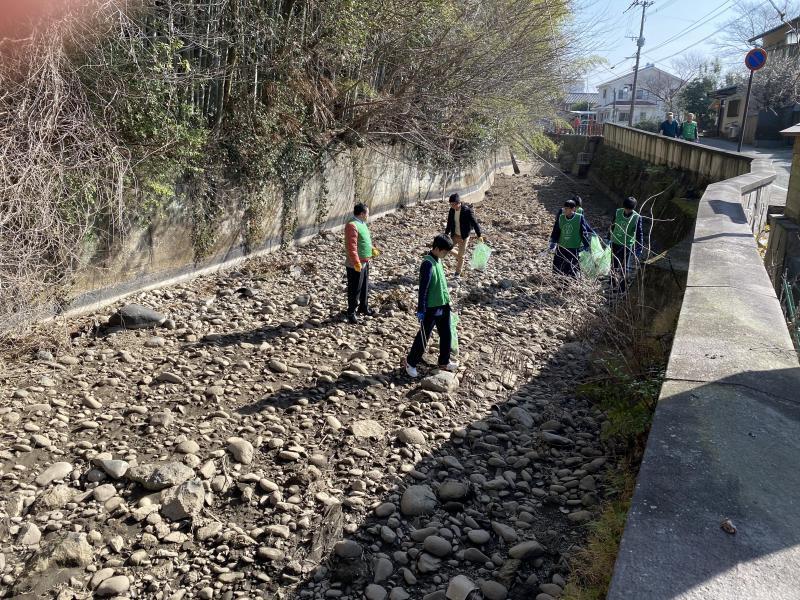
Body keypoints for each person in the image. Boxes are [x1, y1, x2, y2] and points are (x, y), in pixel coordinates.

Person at [405, 234, 459, 378]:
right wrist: (421, 309)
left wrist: (448, 301)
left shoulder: (438, 260)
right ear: (436, 248)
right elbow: (423, 289)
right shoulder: (427, 264)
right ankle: (411, 362)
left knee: (446, 334)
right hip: (431, 307)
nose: (446, 255)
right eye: (445, 252)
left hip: (443, 304)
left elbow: (441, 283)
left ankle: (444, 361)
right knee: (424, 336)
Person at [344, 203, 380, 324]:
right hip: (355, 263)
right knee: (355, 288)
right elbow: (351, 246)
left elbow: (365, 240)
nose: (368, 215)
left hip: (364, 261)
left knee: (364, 286)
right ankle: (351, 312)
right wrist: (356, 262)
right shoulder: (352, 225)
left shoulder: (362, 224)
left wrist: (372, 249)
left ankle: (363, 307)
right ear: (362, 214)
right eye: (367, 213)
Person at [549, 199, 595, 278]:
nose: (565, 210)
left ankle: (570, 282)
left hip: (573, 247)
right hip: (562, 247)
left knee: (572, 267)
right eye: (565, 208)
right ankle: (558, 281)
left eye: (567, 209)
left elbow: (583, 232)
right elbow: (556, 231)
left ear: (573, 209)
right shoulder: (561, 218)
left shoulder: (579, 218)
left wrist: (586, 244)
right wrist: (553, 241)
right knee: (559, 266)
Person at [608, 196, 644, 294]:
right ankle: (612, 283)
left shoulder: (636, 217)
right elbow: (613, 225)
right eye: (626, 208)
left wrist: (639, 247)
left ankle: (622, 287)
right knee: (613, 264)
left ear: (633, 208)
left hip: (626, 245)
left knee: (624, 266)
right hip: (615, 241)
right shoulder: (618, 212)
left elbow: (639, 233)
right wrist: (608, 237)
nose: (627, 211)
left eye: (629, 209)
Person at [444, 193, 483, 278]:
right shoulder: (451, 210)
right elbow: (449, 223)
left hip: (463, 237)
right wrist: (446, 235)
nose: (451, 206)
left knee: (460, 256)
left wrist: (479, 235)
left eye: (453, 204)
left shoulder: (467, 210)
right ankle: (461, 257)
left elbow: (475, 223)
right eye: (450, 204)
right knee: (447, 248)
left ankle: (458, 272)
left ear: (458, 203)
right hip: (454, 235)